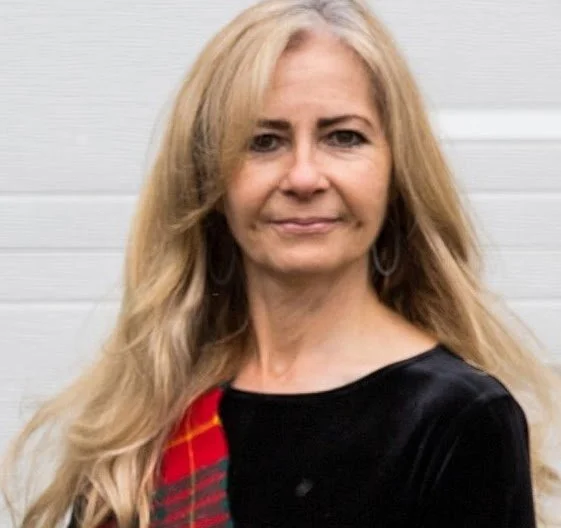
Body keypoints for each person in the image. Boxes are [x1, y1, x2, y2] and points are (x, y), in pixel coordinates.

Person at [3, 0, 561, 526]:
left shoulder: (459, 419)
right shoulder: (143, 420)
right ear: (208, 178)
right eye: (264, 142)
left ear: (396, 170)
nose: (303, 177)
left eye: (343, 137)